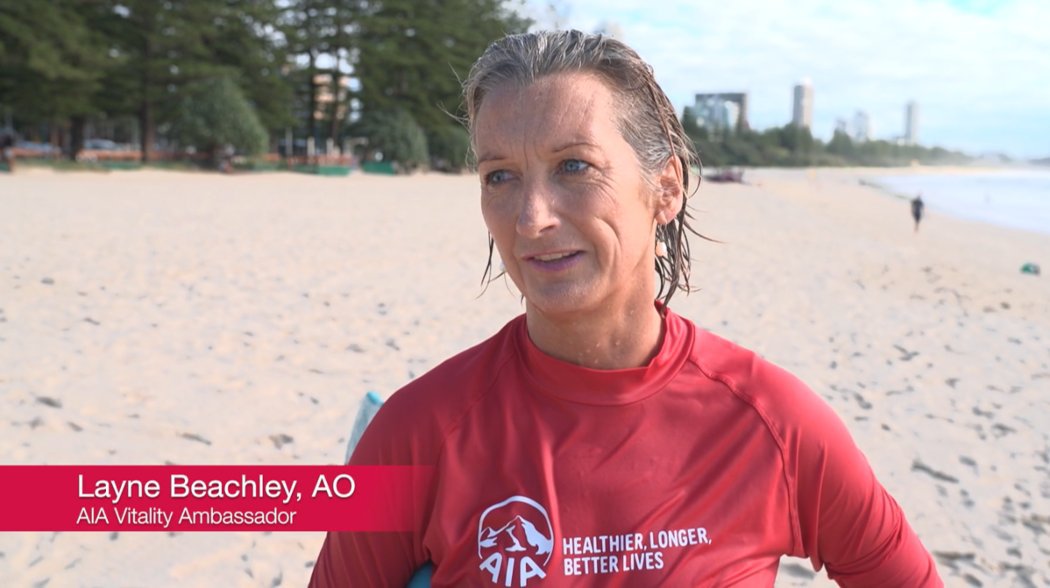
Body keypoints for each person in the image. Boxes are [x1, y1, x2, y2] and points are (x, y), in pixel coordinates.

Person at [310, 30, 942, 586]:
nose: (531, 218)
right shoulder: (415, 432)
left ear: (664, 188)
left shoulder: (774, 425)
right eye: (499, 176)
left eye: (575, 166)